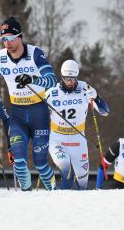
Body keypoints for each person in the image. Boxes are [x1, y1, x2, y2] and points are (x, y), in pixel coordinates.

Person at [0, 17, 57, 191]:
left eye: (10, 38)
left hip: (39, 113)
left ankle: (55, 195)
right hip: (18, 115)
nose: (7, 42)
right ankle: (26, 196)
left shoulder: (35, 54)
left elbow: (52, 81)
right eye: (4, 39)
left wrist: (33, 79)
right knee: (19, 161)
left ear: (20, 36)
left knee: (40, 163)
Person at [45, 60, 109, 189]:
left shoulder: (85, 88)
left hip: (78, 138)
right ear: (62, 77)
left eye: (73, 79)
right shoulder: (51, 93)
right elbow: (39, 116)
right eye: (67, 79)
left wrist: (96, 97)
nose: (70, 82)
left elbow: (105, 112)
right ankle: (60, 199)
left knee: (82, 184)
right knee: (66, 168)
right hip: (57, 138)